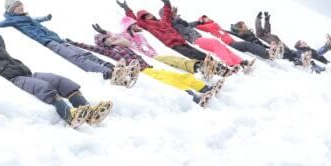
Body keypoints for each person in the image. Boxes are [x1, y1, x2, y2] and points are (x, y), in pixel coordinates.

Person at [0, 0, 132, 86]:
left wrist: (46, 18)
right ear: (12, 9)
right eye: (18, 6)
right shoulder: (11, 20)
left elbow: (37, 19)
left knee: (86, 54)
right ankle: (107, 73)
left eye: (21, 5)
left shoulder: (27, 17)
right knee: (76, 57)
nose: (21, 7)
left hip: (56, 38)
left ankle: (112, 67)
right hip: (48, 42)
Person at [68, 25, 222, 107]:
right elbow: (91, 48)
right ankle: (193, 97)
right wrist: (73, 43)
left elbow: (123, 37)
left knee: (178, 76)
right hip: (141, 71)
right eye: (104, 40)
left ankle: (204, 88)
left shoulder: (122, 44)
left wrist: (107, 33)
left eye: (107, 38)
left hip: (148, 67)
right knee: (171, 82)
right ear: (102, 43)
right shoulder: (108, 51)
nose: (108, 40)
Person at [116, 0, 229, 78]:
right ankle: (213, 71)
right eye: (145, 16)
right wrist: (127, 9)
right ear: (143, 19)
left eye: (149, 14)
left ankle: (221, 68)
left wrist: (167, 2)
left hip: (181, 41)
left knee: (202, 55)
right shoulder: (147, 25)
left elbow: (167, 13)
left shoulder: (163, 21)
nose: (148, 17)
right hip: (172, 44)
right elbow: (135, 19)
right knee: (194, 56)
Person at [192, 15, 275, 60]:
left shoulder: (215, 25)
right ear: (202, 21)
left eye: (207, 17)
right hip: (229, 44)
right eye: (205, 19)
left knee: (249, 45)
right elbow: (193, 26)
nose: (207, 18)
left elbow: (227, 32)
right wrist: (198, 21)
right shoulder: (206, 27)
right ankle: (267, 54)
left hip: (232, 42)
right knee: (247, 45)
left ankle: (267, 53)